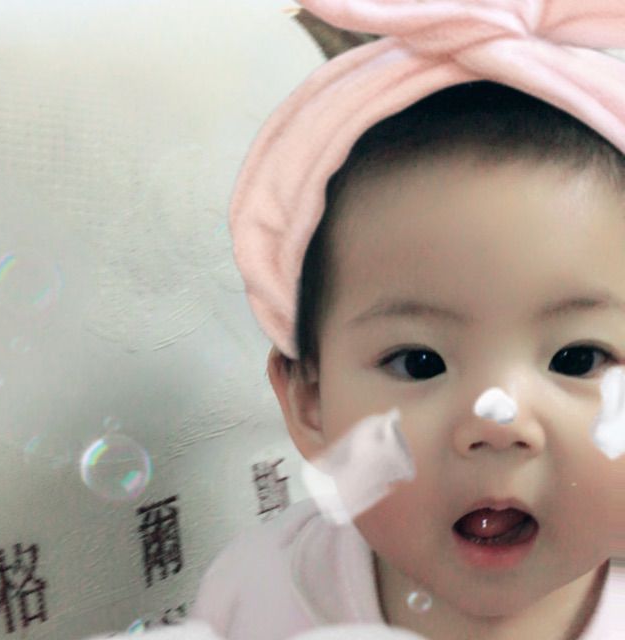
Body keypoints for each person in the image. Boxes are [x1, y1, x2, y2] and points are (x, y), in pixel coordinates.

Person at [189, 2, 625, 639]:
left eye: (578, 358)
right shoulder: (258, 598)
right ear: (310, 403)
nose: (498, 422)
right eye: (420, 363)